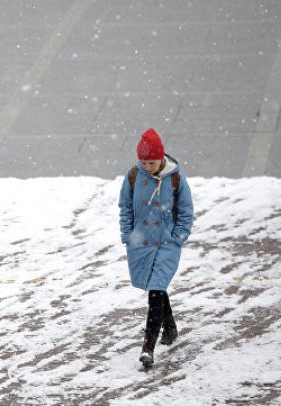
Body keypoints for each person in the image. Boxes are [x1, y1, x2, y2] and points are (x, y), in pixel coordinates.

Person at [118, 128, 194, 369]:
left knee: (155, 290)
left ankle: (147, 348)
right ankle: (170, 328)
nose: (147, 167)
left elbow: (186, 212)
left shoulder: (176, 179)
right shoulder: (132, 176)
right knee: (156, 287)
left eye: (151, 162)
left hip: (166, 244)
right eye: (143, 162)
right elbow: (125, 208)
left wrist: (177, 238)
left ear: (161, 158)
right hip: (141, 243)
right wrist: (128, 235)